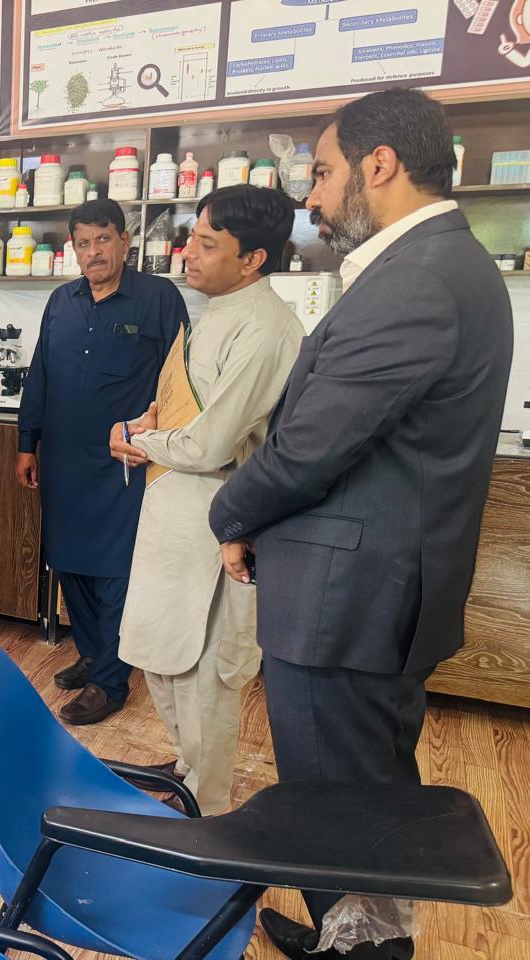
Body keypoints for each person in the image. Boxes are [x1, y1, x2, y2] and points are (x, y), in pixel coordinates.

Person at [208, 89, 513, 959]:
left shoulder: (417, 277)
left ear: (380, 165)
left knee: (334, 803)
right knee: (367, 793)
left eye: (322, 172)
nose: (311, 195)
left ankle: (365, 951)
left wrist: (229, 513)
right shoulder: (440, 263)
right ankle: (349, 937)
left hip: (345, 607)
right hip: (376, 593)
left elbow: (310, 447)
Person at [108, 185, 303, 816]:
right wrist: (146, 422)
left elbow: (214, 442)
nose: (188, 252)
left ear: (253, 259)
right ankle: (187, 773)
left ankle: (210, 810)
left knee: (206, 675)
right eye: (192, 237)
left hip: (219, 527)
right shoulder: (214, 310)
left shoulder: (266, 327)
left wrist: (141, 440)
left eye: (208, 243)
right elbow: (184, 405)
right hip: (171, 513)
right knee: (163, 661)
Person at [16, 199, 184, 725]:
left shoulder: (158, 298)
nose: (94, 252)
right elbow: (40, 375)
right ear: (74, 248)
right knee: (68, 562)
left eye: (104, 240)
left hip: (124, 463)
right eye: (84, 243)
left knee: (115, 571)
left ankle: (110, 683)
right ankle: (93, 655)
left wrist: (160, 436)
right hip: (64, 459)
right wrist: (27, 442)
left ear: (124, 241)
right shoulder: (61, 302)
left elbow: (178, 381)